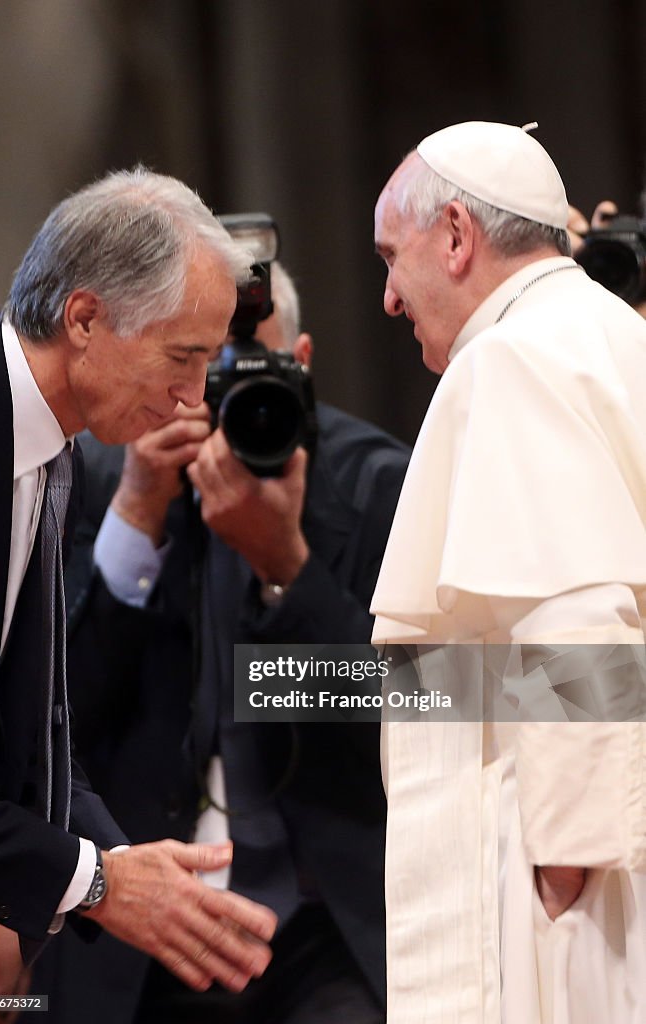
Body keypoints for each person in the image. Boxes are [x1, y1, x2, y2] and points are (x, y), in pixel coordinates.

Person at [27, 259, 410, 1023]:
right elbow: (53, 731)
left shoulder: (374, 484)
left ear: (298, 365)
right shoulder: (92, 473)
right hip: (138, 920)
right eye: (191, 364)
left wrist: (285, 568)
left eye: (242, 369)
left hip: (327, 920)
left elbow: (411, 716)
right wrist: (135, 520)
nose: (209, 400)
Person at [0, 167, 279, 1020]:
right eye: (182, 358)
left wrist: (128, 870)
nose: (195, 398)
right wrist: (99, 881)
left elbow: (31, 732)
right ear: (86, 318)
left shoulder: (56, 436)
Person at [371, 121, 646, 1023]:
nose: (386, 296)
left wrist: (562, 868)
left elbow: (580, 611)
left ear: (455, 236)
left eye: (391, 256)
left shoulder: (514, 356)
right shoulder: (606, 329)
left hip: (566, 877)